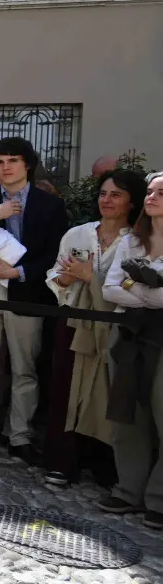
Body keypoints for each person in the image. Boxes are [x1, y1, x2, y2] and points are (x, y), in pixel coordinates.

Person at [0, 137, 68, 465]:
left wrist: (18, 272)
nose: (5, 167)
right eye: (0, 161)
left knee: (25, 366)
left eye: (12, 161)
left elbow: (54, 254)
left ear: (27, 165)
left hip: (27, 289)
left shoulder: (50, 205)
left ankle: (19, 435)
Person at [44, 169, 146, 488]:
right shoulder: (77, 234)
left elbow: (133, 284)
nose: (107, 200)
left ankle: (106, 464)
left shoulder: (139, 242)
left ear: (131, 202)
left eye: (116, 194)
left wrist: (93, 277)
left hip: (116, 326)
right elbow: (55, 276)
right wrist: (67, 279)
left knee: (109, 391)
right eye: (103, 193)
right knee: (65, 388)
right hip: (74, 321)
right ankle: (62, 461)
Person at [99, 171, 163, 529]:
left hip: (160, 338)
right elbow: (111, 289)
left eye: (161, 192)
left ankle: (159, 499)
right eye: (151, 191)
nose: (152, 197)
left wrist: (136, 288)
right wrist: (148, 294)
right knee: (127, 413)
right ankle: (128, 489)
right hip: (128, 335)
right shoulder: (131, 241)